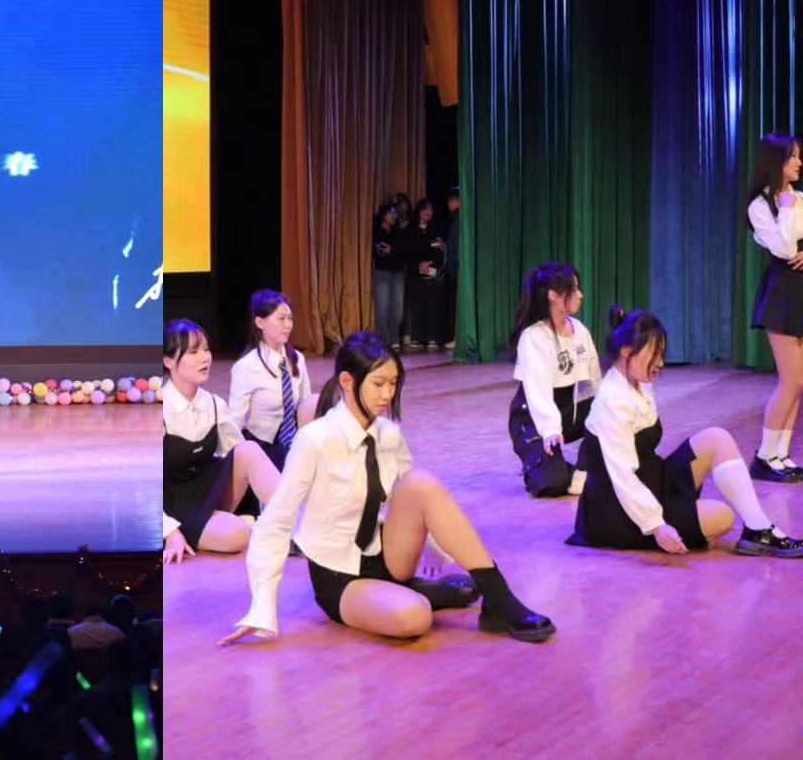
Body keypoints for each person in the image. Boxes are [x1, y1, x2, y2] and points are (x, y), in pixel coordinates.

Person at [222, 330, 555, 645]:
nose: (387, 394)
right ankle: (421, 593)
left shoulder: (388, 433)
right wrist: (262, 607)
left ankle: (499, 598)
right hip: (340, 575)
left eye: (393, 383)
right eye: (378, 383)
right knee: (415, 617)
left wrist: (434, 548)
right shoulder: (314, 439)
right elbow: (276, 521)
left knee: (420, 482)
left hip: (389, 555)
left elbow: (418, 503)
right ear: (347, 381)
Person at [566, 306, 803, 558]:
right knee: (723, 517)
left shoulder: (638, 381)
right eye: (655, 353)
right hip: (618, 510)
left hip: (653, 481)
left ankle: (759, 530)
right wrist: (656, 526)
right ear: (626, 351)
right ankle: (702, 524)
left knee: (716, 438)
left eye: (662, 354)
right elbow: (623, 477)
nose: (660, 363)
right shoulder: (612, 402)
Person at [162, 319, 281, 565]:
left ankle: (299, 526)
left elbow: (241, 460)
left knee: (248, 449)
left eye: (206, 349)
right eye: (193, 352)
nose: (205, 358)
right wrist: (169, 533)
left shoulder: (214, 404)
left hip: (208, 491)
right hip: (175, 507)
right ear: (168, 361)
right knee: (237, 535)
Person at [508, 261, 601, 498]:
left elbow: (595, 381)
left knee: (608, 408)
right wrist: (550, 429)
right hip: (533, 419)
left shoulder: (580, 330)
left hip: (567, 412)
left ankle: (587, 468)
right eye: (574, 290)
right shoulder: (533, 337)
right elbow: (538, 392)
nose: (580, 295)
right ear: (554, 296)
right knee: (553, 483)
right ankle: (539, 465)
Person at [746, 133, 803, 481]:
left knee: (799, 383)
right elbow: (784, 249)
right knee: (791, 381)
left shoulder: (798, 198)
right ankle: (764, 457)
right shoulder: (760, 205)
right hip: (782, 294)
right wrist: (786, 208)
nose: (799, 162)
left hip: (800, 291)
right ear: (776, 161)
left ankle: (781, 455)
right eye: (793, 156)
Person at [227, 290, 316, 470]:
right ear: (260, 323)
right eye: (281, 319)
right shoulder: (246, 367)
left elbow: (306, 404)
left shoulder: (297, 359)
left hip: (294, 438)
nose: (288, 325)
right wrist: (228, 459)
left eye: (290, 319)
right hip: (263, 445)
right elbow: (235, 420)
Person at [402, 198, 447, 352]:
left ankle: (433, 337)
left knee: (433, 306)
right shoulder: (410, 229)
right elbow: (407, 252)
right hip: (415, 275)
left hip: (432, 274)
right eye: (425, 209)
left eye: (431, 210)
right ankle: (417, 338)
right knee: (417, 307)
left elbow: (440, 251)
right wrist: (418, 264)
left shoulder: (435, 230)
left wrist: (430, 263)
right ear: (419, 211)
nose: (428, 212)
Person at [371, 200, 407, 352]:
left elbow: (403, 251)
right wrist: (388, 250)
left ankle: (394, 337)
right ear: (383, 215)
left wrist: (392, 250)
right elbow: (379, 251)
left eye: (395, 213)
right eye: (390, 213)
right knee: (383, 308)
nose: (394, 216)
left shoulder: (398, 232)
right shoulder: (376, 231)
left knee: (398, 309)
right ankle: (385, 340)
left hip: (397, 272)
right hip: (382, 272)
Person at [439, 187, 461, 350]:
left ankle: (458, 337)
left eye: (451, 200)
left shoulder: (459, 219)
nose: (448, 204)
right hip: (455, 268)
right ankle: (456, 336)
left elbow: (455, 247)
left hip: (457, 269)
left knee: (457, 305)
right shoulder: (456, 219)